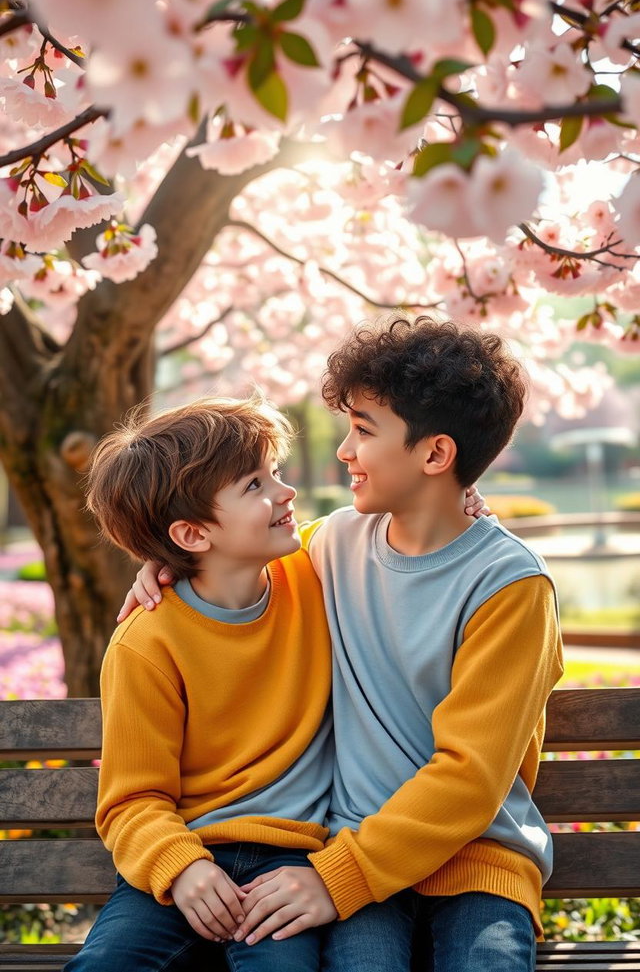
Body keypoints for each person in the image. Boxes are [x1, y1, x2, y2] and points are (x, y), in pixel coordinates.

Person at [124, 316, 563, 972]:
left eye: (363, 430)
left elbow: (470, 778)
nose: (343, 451)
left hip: (476, 859)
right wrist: (166, 566)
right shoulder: (330, 547)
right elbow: (230, 557)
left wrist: (336, 877)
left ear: (435, 455)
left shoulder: (511, 588)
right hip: (353, 854)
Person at [65, 396, 341, 972]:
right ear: (192, 534)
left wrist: (467, 499)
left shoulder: (320, 567)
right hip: (182, 859)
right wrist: (183, 868)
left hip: (289, 868)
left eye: (277, 473)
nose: (285, 492)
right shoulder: (147, 642)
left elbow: (405, 522)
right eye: (254, 485)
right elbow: (132, 799)